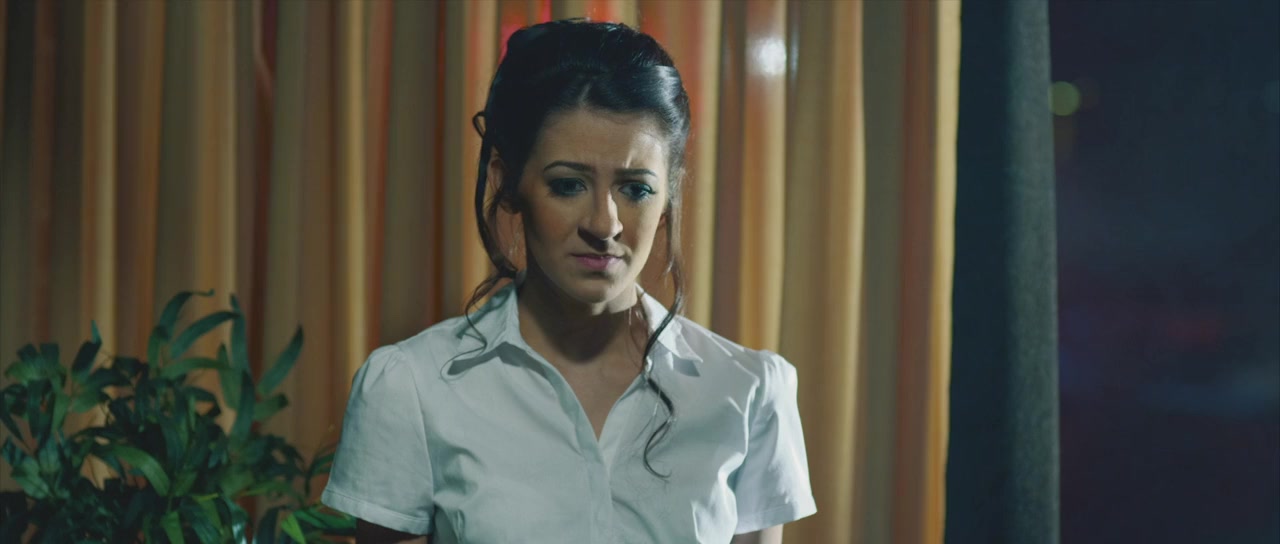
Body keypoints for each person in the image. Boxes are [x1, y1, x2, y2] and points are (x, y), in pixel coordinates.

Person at [322, 19, 816, 544]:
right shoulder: (410, 388)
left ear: (669, 195)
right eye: (568, 184)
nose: (604, 224)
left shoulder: (748, 391)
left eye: (635, 189)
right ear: (506, 183)